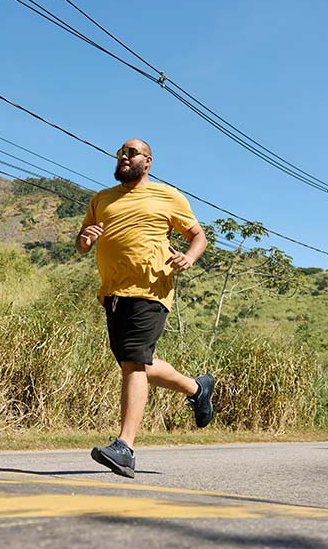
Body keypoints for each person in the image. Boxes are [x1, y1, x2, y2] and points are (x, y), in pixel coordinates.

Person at [76, 138, 213, 478]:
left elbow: (198, 236)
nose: (124, 156)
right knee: (133, 364)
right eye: (121, 152)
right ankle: (196, 388)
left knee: (134, 362)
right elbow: (82, 243)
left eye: (132, 152)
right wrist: (85, 239)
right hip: (113, 293)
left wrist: (189, 257)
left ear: (148, 161)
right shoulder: (101, 199)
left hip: (151, 288)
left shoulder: (168, 196)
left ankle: (125, 447)